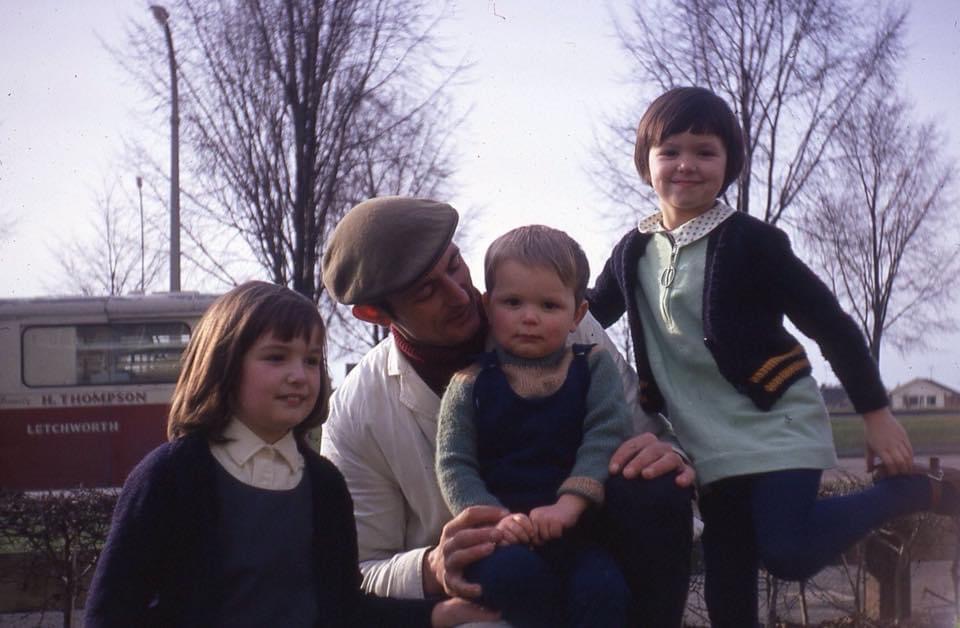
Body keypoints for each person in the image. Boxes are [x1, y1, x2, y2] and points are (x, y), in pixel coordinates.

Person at [588, 86, 960, 627]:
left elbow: (832, 326)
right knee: (728, 590)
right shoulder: (632, 251)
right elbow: (588, 313)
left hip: (776, 425)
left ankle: (913, 491)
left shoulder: (752, 242)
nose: (687, 164)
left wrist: (876, 415)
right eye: (670, 151)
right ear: (646, 163)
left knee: (790, 551)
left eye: (705, 152)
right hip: (703, 444)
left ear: (729, 165)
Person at [319, 196, 696, 626]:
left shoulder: (562, 325)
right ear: (374, 313)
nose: (459, 294)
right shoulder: (356, 411)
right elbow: (357, 571)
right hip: (484, 597)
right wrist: (431, 567)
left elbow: (649, 437)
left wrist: (667, 458)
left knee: (655, 487)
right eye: (426, 291)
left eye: (454, 264)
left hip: (587, 556)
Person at [84, 281, 492, 628]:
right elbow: (111, 613)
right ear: (225, 362)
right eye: (276, 357)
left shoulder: (324, 485)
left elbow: (344, 610)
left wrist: (438, 614)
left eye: (311, 360)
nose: (299, 375)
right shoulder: (171, 476)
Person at [435, 225, 633, 627]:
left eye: (549, 305)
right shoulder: (469, 382)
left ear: (577, 314)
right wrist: (495, 519)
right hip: (499, 538)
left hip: (576, 531)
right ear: (488, 306)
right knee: (516, 580)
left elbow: (606, 434)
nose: (529, 318)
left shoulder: (592, 366)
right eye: (512, 302)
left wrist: (568, 505)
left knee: (603, 589)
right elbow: (454, 463)